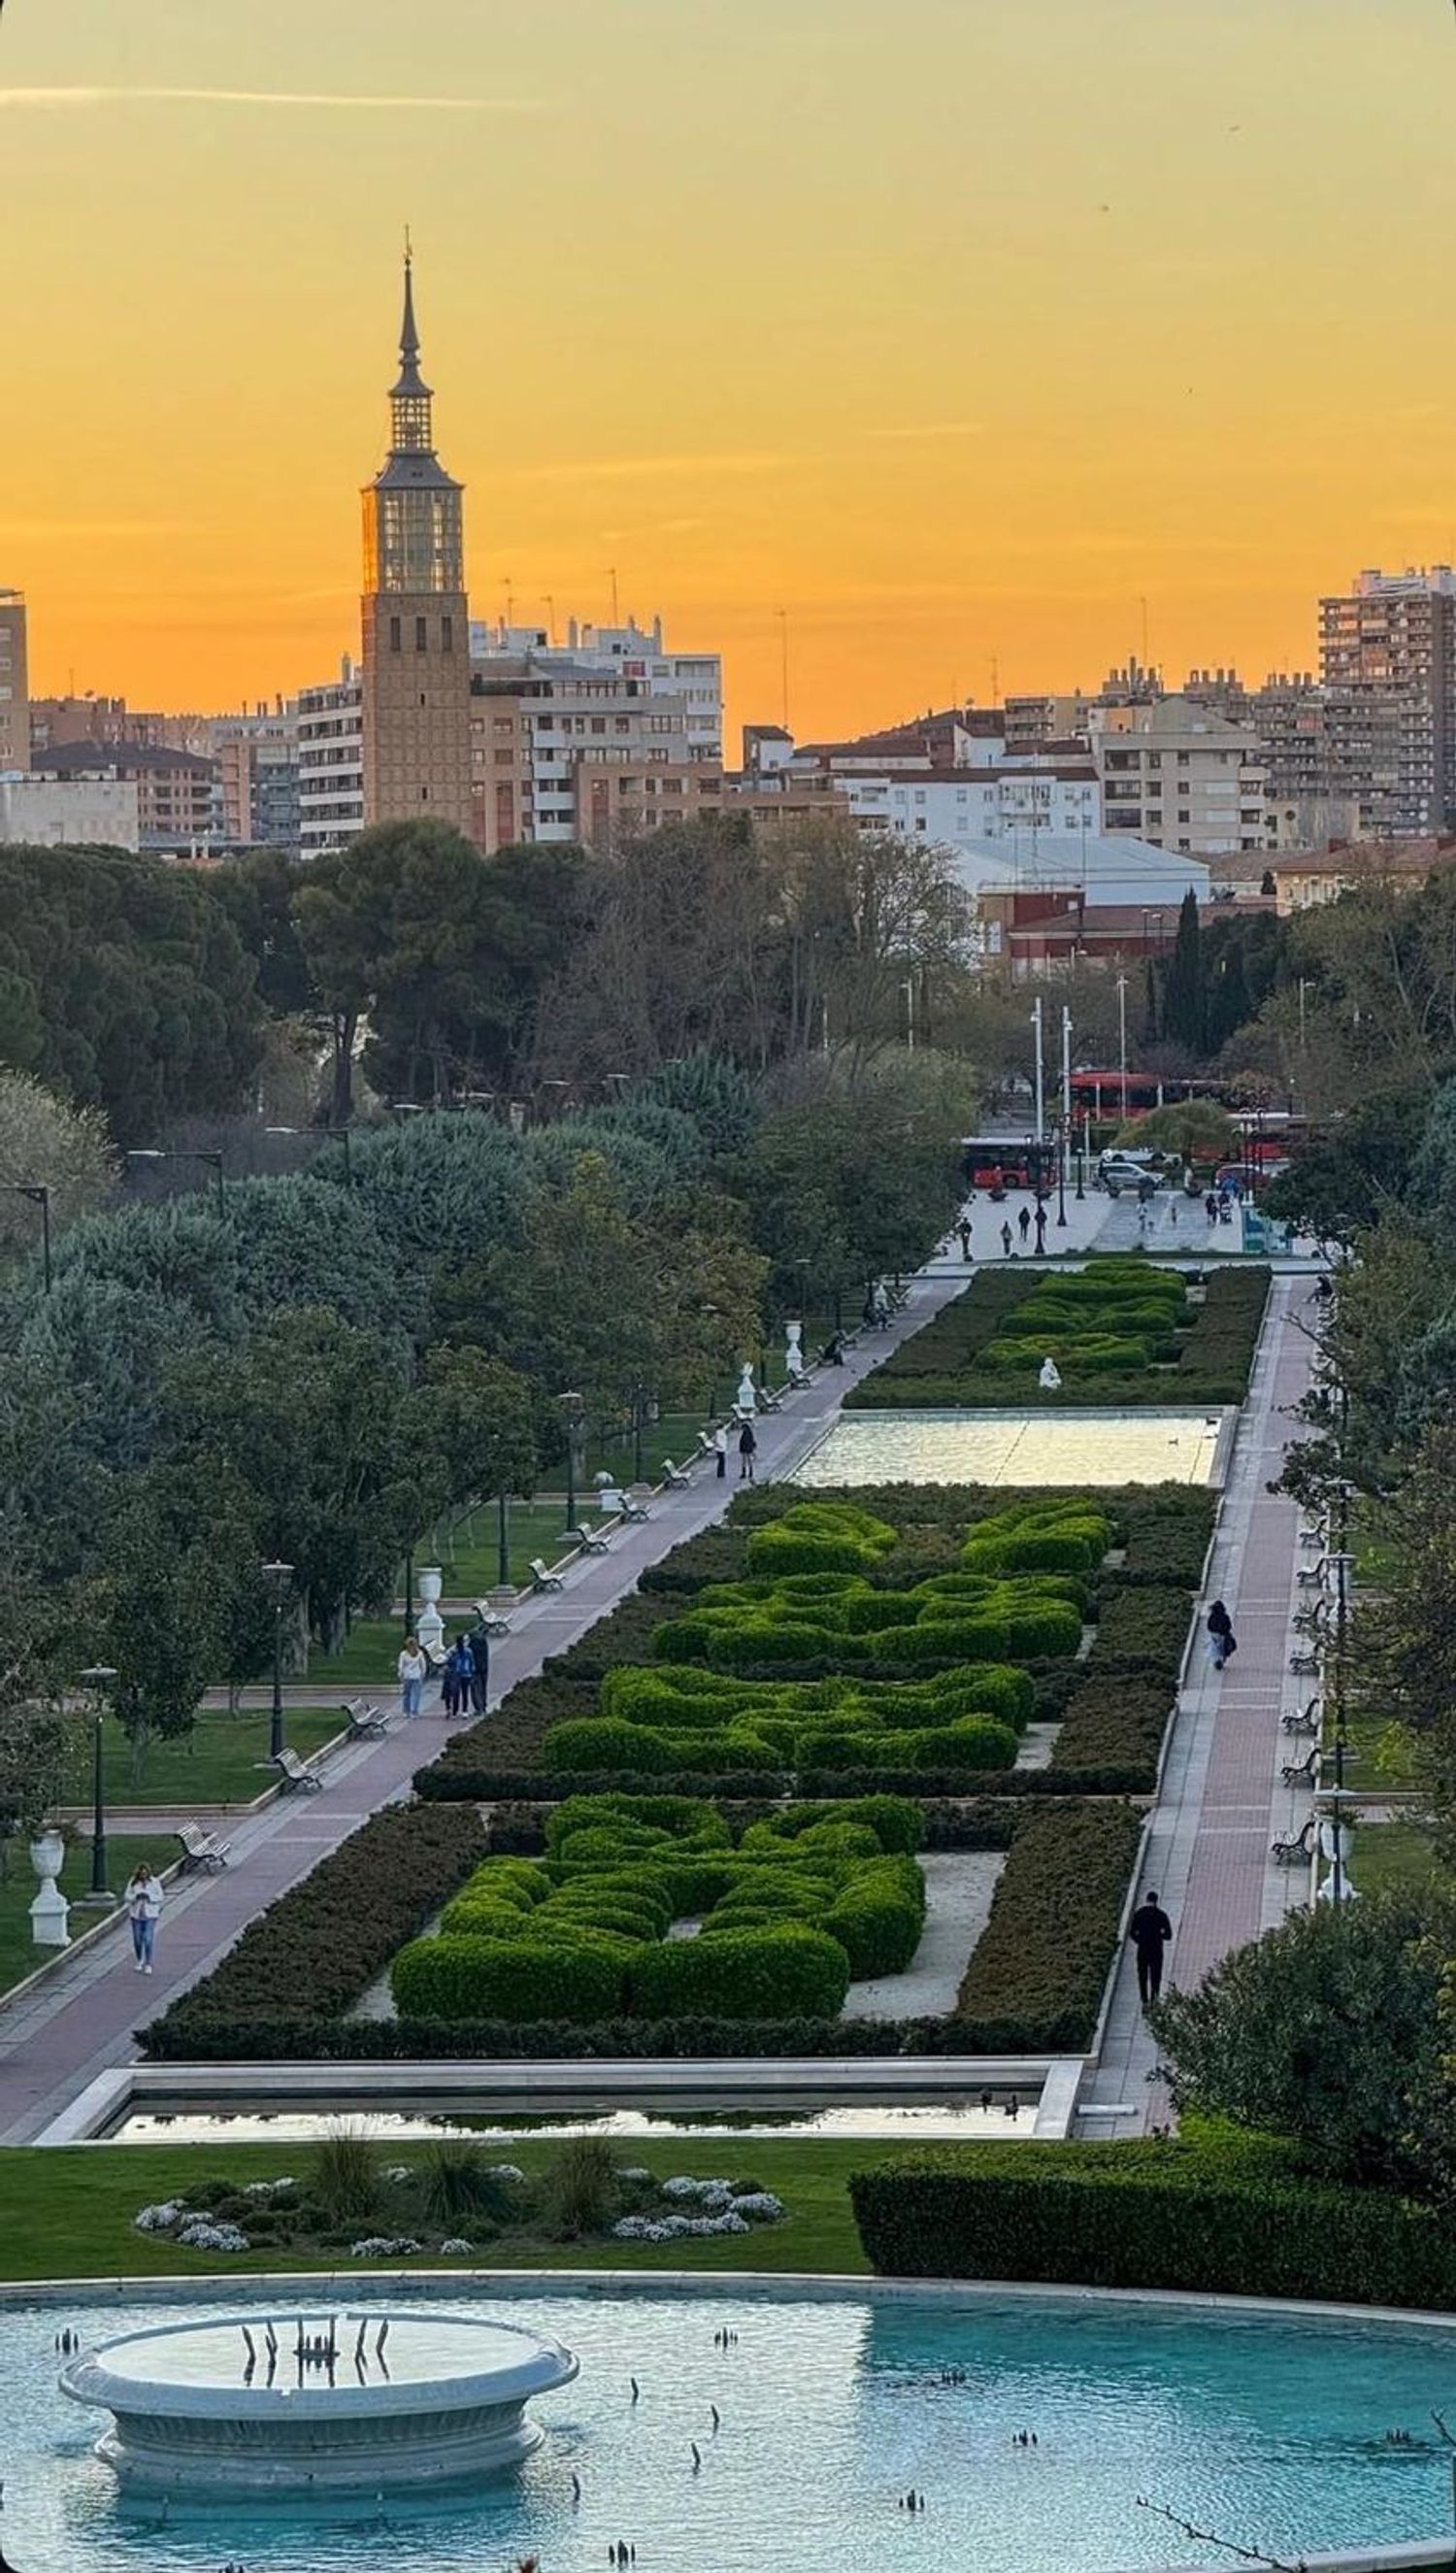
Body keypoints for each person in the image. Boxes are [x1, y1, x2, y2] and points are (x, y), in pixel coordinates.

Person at [1129, 1888, 1174, 2009]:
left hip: (1142, 1950)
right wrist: (1160, 1934)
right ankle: (1154, 2000)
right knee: (1155, 1976)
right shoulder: (1161, 1915)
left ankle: (1145, 2001)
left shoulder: (1139, 1914)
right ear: (1156, 1901)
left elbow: (1132, 1933)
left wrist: (1140, 1940)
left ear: (1147, 1900)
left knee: (1142, 1976)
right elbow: (1168, 1935)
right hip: (1156, 1950)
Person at [125, 1863, 165, 1975]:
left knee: (148, 1939)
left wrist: (149, 1897)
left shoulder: (154, 1882)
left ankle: (148, 1963)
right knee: (137, 1940)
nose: (143, 1875)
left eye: (145, 1873)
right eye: (141, 1873)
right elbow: (127, 1896)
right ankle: (139, 1959)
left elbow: (160, 1897)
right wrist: (135, 1897)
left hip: (150, 1915)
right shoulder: (133, 1882)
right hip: (136, 1916)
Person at [397, 1636, 427, 1720]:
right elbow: (423, 1665)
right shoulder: (419, 1653)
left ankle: (406, 1711)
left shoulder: (403, 1654)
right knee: (415, 1695)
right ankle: (414, 1711)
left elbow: (401, 1666)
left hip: (407, 1676)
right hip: (416, 1676)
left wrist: (400, 1675)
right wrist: (423, 1674)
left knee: (406, 1695)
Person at [464, 1623, 489, 1716]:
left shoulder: (472, 1645)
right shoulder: (484, 1642)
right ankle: (483, 1706)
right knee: (483, 1688)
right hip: (484, 1668)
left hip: (475, 1670)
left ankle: (479, 1708)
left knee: (475, 1689)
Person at [441, 1637, 468, 1721]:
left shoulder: (451, 1651)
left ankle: (450, 1710)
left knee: (450, 1693)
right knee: (459, 1693)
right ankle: (460, 1711)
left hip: (452, 1674)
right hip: (462, 1674)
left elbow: (445, 1661)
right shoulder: (466, 1651)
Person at [1206, 1598, 1233, 1669]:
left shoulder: (1212, 1616)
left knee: (1215, 1647)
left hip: (1214, 1634)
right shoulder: (1225, 1616)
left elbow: (1209, 1626)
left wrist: (1213, 1631)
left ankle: (1217, 1660)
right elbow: (1229, 1626)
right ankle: (1221, 1659)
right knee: (1222, 1647)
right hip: (1223, 1634)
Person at [738, 1418, 757, 1483]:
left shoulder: (746, 1434)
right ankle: (750, 1473)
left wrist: (742, 1449)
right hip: (748, 1449)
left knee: (745, 1461)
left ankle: (745, 1473)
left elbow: (745, 1442)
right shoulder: (749, 1433)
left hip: (746, 1450)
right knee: (748, 1461)